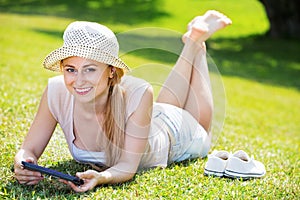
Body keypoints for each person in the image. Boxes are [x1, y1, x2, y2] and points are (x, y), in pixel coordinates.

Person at [14, 10, 232, 192]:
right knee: (167, 106)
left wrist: (102, 177)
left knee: (204, 132)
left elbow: (127, 167)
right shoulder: (56, 91)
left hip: (174, 135)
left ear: (110, 71)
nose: (78, 81)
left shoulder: (139, 91)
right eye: (71, 69)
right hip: (149, 119)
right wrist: (23, 162)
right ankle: (192, 40)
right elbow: (28, 149)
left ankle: (197, 45)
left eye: (90, 69)